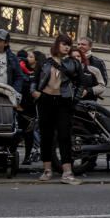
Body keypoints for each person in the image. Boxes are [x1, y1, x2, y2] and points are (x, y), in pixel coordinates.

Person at [33, 34, 84, 184]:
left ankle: (67, 172)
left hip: (64, 101)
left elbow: (81, 83)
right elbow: (34, 80)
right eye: (63, 44)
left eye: (69, 44)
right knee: (46, 136)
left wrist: (75, 99)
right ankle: (47, 169)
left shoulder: (74, 63)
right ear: (57, 45)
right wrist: (35, 93)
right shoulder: (44, 62)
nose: (67, 47)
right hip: (45, 100)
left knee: (64, 136)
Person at [15, 50, 41, 164]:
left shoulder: (40, 72)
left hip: (31, 107)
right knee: (17, 131)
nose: (27, 58)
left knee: (29, 133)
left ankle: (27, 157)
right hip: (20, 104)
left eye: (30, 56)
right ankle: (12, 155)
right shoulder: (21, 70)